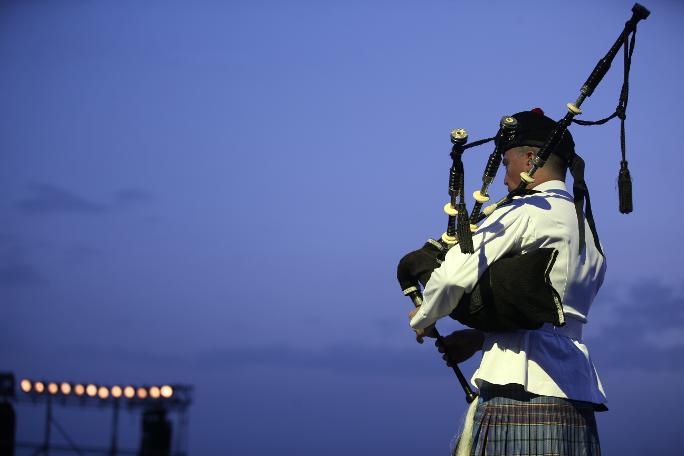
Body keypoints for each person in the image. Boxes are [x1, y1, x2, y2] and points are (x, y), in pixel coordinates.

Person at [407, 109, 607, 455]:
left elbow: (453, 275)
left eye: (506, 163)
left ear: (531, 159)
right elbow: (548, 312)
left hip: (517, 396)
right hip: (576, 401)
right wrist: (482, 337)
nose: (503, 179)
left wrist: (424, 317)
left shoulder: (523, 211)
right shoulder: (588, 232)